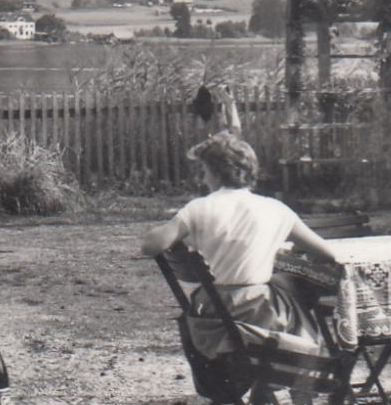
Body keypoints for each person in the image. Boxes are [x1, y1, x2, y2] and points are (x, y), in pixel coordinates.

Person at [141, 128, 338, 362]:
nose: (204, 179)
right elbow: (327, 254)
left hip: (212, 318)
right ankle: (303, 364)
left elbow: (150, 246)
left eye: (204, 171)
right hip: (259, 314)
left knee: (282, 285)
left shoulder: (200, 207)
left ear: (215, 172)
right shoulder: (275, 209)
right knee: (291, 289)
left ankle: (268, 384)